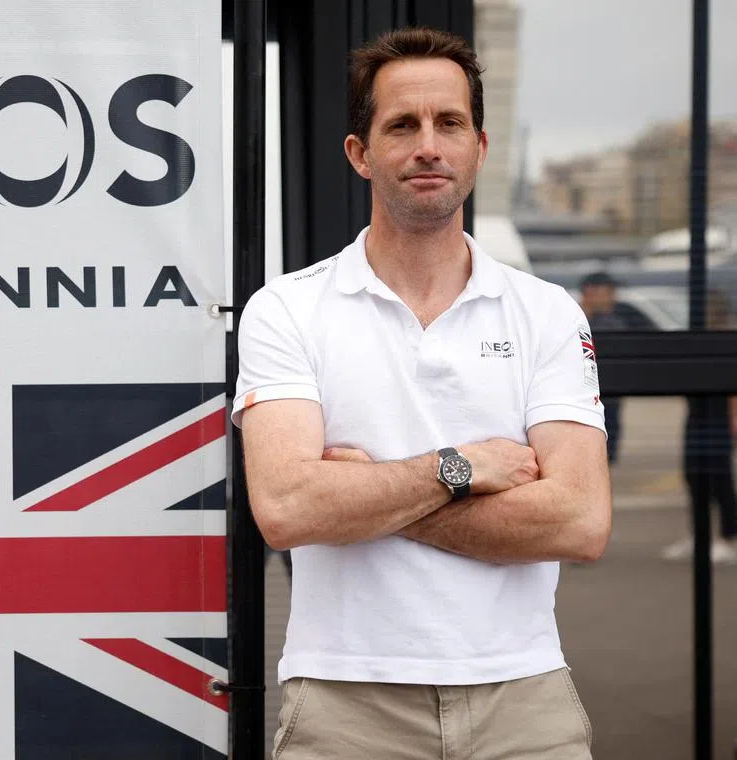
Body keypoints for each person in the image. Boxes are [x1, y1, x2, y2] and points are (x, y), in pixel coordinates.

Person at [232, 27, 610, 760]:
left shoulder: (545, 312)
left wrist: (364, 498)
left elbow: (580, 521)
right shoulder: (287, 309)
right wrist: (459, 468)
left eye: (450, 124)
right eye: (401, 125)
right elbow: (285, 510)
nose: (428, 145)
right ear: (360, 153)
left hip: (522, 697)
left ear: (480, 147)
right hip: (345, 701)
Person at [662, 289, 737, 564]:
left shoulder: (725, 338)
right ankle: (700, 536)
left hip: (717, 417)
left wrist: (734, 419)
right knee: (694, 477)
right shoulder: (697, 337)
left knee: (720, 480)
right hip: (696, 416)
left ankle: (730, 538)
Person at [577, 271, 656, 464]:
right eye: (607, 292)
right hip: (585, 391)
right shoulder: (576, 318)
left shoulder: (623, 315)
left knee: (609, 435)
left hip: (612, 391)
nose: (612, 297)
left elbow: (649, 340)